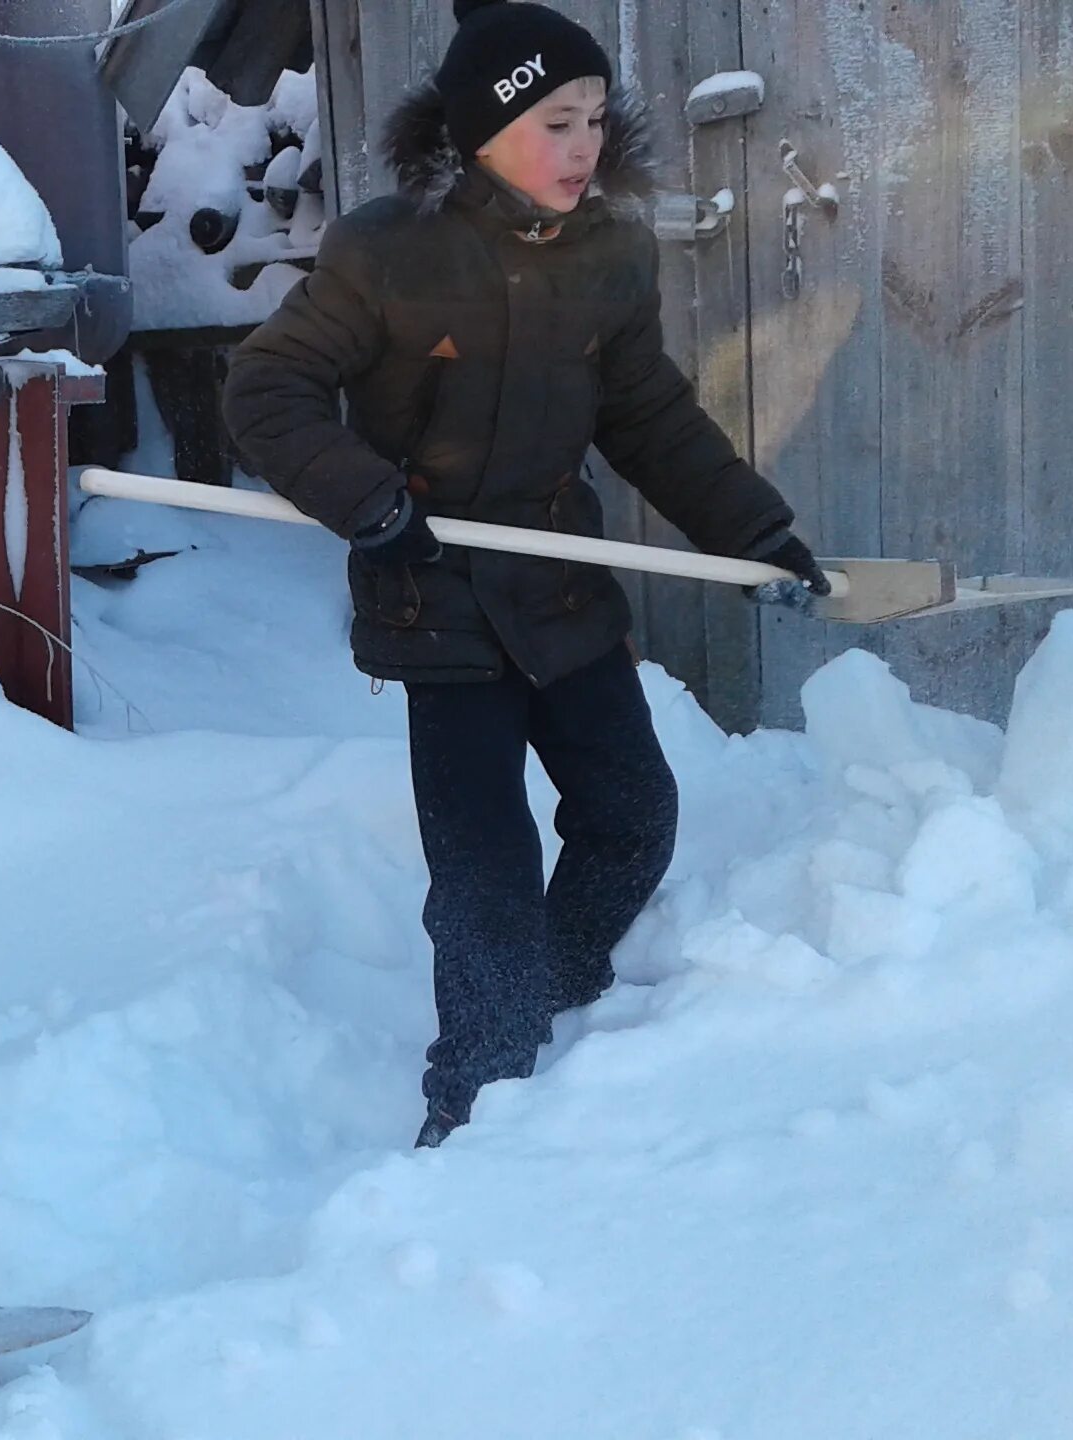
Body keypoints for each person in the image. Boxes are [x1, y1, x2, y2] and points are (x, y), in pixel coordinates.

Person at [223, 0, 832, 1149]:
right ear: (481, 133)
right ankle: (480, 1093)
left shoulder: (607, 256)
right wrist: (368, 501)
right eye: (556, 123)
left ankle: (548, 990)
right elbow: (267, 391)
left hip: (559, 588)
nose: (584, 148)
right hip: (433, 589)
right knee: (485, 869)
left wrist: (754, 538)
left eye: (597, 120)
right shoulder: (387, 254)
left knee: (632, 814)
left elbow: (649, 418)